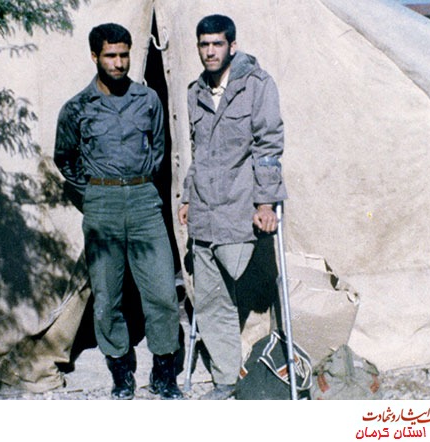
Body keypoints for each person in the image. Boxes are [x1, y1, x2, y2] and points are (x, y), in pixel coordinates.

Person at [54, 23, 182, 400]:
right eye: (110, 55)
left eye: (124, 54)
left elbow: (158, 151)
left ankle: (164, 373)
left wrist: (137, 184)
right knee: (107, 296)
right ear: (95, 56)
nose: (119, 62)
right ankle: (121, 373)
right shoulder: (77, 107)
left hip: (144, 201)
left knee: (162, 292)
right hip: (102, 204)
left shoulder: (148, 100)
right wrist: (94, 190)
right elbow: (64, 157)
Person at [178, 14, 287, 400]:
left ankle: (271, 364)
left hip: (241, 208)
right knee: (211, 299)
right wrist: (187, 195)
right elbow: (198, 151)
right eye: (204, 45)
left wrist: (266, 202)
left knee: (244, 285)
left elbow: (268, 146)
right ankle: (226, 379)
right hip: (205, 210)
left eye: (217, 44)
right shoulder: (195, 92)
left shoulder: (257, 85)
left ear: (232, 46)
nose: (210, 52)